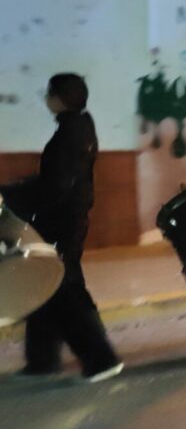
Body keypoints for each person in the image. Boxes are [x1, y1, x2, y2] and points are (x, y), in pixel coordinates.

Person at [2, 73, 124, 381]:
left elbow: (55, 185)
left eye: (49, 93)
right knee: (45, 284)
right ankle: (42, 359)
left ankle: (101, 359)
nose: (46, 99)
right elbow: (56, 181)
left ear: (59, 98)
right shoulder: (79, 127)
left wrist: (11, 195)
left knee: (58, 288)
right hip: (66, 218)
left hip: (61, 222)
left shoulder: (69, 134)